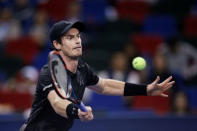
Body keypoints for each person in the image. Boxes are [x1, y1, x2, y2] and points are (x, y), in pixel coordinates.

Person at [20, 20, 175, 131]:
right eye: (69, 37)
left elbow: (105, 86)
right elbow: (56, 103)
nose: (77, 41)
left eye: (77, 36)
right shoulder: (49, 72)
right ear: (57, 45)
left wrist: (146, 90)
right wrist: (77, 112)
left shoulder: (82, 68)